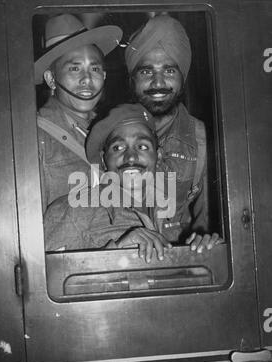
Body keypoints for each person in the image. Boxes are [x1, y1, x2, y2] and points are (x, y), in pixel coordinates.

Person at [44, 104, 221, 262]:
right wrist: (117, 250)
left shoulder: (177, 212)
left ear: (158, 157)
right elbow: (44, 285)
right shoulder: (73, 212)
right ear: (104, 161)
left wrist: (206, 252)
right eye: (118, 148)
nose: (131, 157)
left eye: (142, 147)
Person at [125, 14, 211, 245]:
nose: (158, 82)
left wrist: (205, 241)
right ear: (132, 80)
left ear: (183, 78)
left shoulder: (201, 139)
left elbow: (208, 224)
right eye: (146, 72)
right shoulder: (106, 134)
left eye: (169, 71)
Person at [34, 13, 122, 212]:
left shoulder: (113, 132)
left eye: (95, 69)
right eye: (74, 68)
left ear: (105, 75)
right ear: (51, 79)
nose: (87, 80)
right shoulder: (35, 139)